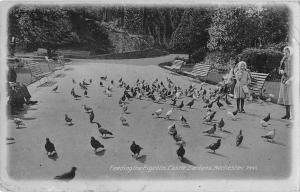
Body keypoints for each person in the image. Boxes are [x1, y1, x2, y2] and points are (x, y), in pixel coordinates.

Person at [278, 46, 293, 120]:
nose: (285, 53)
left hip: (291, 81)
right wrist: (281, 71)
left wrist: (290, 80)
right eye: (284, 52)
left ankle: (291, 115)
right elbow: (280, 68)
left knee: (291, 98)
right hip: (284, 79)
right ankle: (287, 114)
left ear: (290, 52)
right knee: (286, 98)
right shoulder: (284, 59)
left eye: (287, 52)